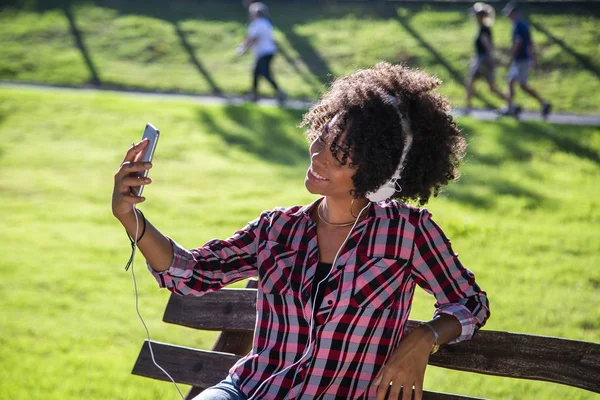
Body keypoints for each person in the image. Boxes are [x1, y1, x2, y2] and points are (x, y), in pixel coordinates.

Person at [112, 62, 490, 400]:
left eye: (340, 155)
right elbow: (192, 274)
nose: (318, 155)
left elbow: (470, 302)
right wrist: (129, 215)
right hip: (247, 390)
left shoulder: (407, 233)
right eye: (323, 138)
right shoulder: (277, 228)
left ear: (380, 173)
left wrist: (425, 337)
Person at [500, 2, 551, 119]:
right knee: (512, 82)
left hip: (520, 60)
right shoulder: (523, 25)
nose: (508, 17)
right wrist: (532, 59)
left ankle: (543, 103)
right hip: (522, 59)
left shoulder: (518, 26)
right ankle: (511, 107)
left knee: (520, 85)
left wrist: (512, 56)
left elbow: (519, 42)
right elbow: (530, 44)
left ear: (514, 14)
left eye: (509, 14)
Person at [236, 2, 286, 105]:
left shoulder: (257, 24)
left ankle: (279, 92)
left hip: (264, 52)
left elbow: (253, 38)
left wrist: (243, 48)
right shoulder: (265, 23)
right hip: (267, 51)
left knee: (264, 73)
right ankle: (255, 95)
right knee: (256, 73)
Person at [465, 2, 509, 114]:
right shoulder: (482, 28)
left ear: (479, 16)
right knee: (471, 83)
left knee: (491, 88)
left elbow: (487, 46)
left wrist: (490, 59)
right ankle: (468, 108)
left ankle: (510, 103)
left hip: (483, 61)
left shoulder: (484, 29)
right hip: (480, 60)